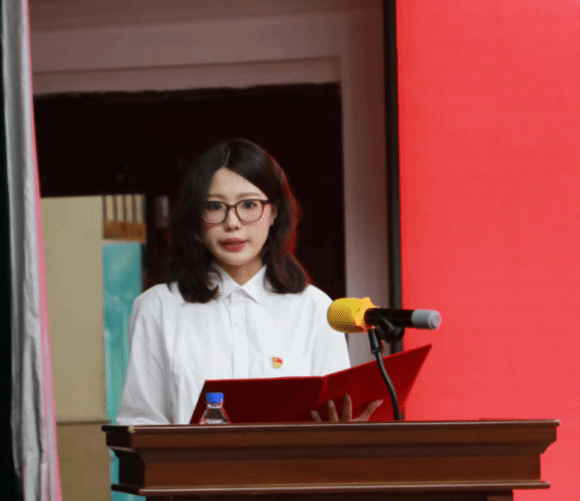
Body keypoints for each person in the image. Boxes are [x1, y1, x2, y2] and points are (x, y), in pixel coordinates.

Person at [115, 138, 381, 425]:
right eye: (215, 206)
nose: (232, 222)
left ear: (274, 211)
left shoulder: (315, 309)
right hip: (193, 458)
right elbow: (140, 425)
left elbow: (334, 415)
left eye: (249, 204)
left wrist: (346, 433)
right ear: (196, 216)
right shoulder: (158, 308)